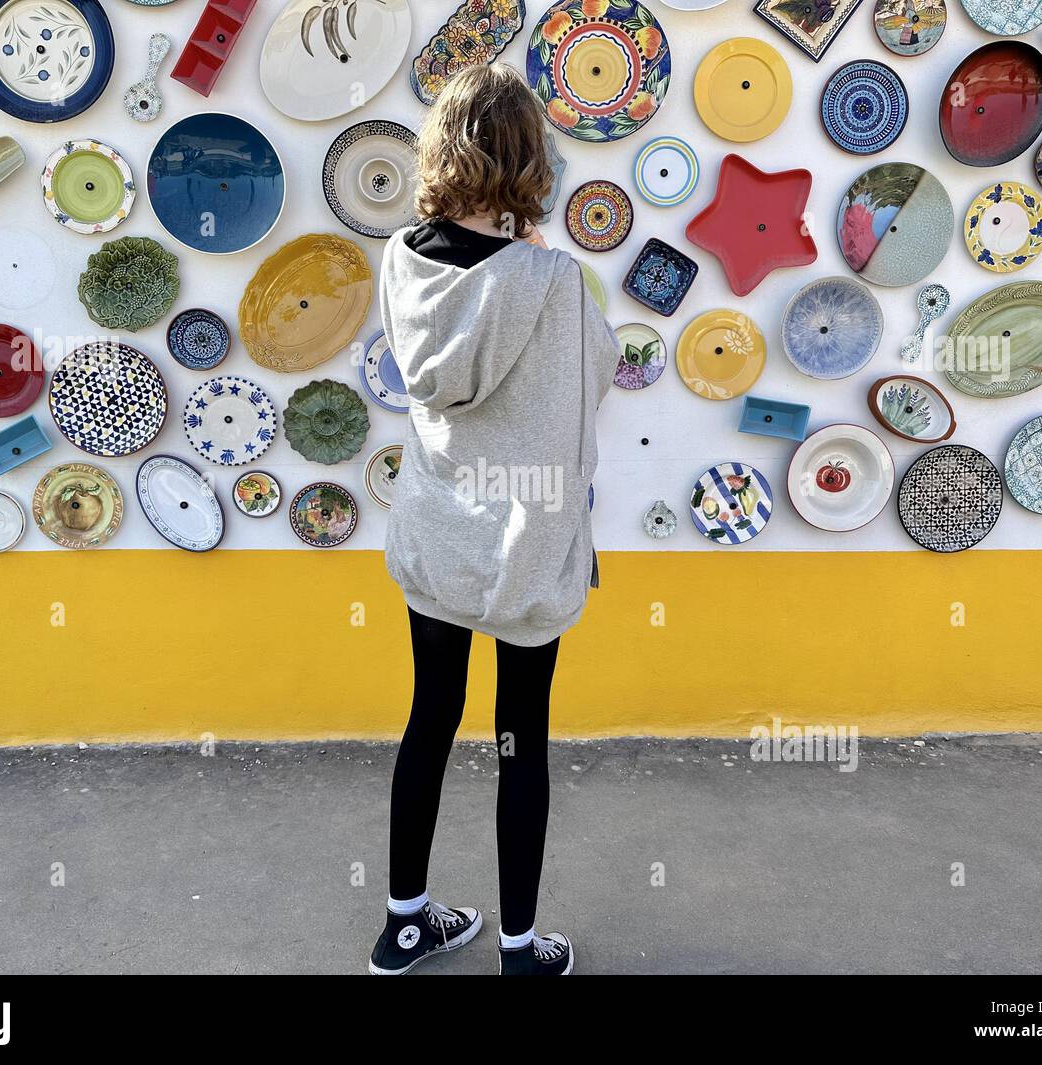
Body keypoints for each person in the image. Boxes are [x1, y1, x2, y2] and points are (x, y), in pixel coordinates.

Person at [367, 64, 620, 976]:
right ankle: (519, 948)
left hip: (438, 530)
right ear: (527, 158)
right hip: (525, 539)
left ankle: (404, 925)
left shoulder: (401, 259)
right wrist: (533, 260)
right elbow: (601, 369)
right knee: (522, 738)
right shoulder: (552, 278)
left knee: (429, 718)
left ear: (443, 153)